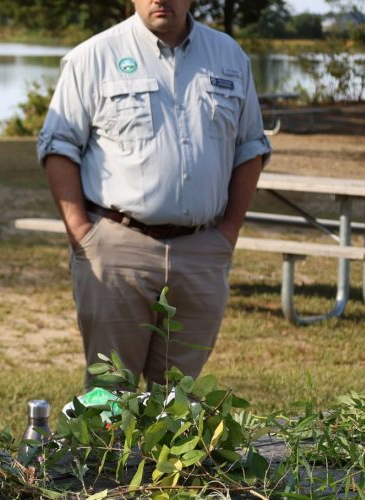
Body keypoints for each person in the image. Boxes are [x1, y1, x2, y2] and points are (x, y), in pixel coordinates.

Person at [36, 0, 271, 387]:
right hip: (118, 250)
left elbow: (250, 148)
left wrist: (227, 234)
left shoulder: (229, 56)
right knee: (111, 395)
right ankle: (108, 435)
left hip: (201, 252)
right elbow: (58, 146)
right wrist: (82, 234)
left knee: (180, 398)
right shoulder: (94, 56)